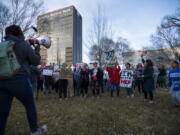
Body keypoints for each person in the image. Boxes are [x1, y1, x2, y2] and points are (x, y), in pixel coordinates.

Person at [0, 25, 47, 135]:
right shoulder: (23, 44)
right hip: (19, 79)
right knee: (30, 105)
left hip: (2, 81)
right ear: (19, 33)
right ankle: (34, 130)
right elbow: (35, 61)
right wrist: (37, 50)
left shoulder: (2, 45)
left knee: (2, 111)